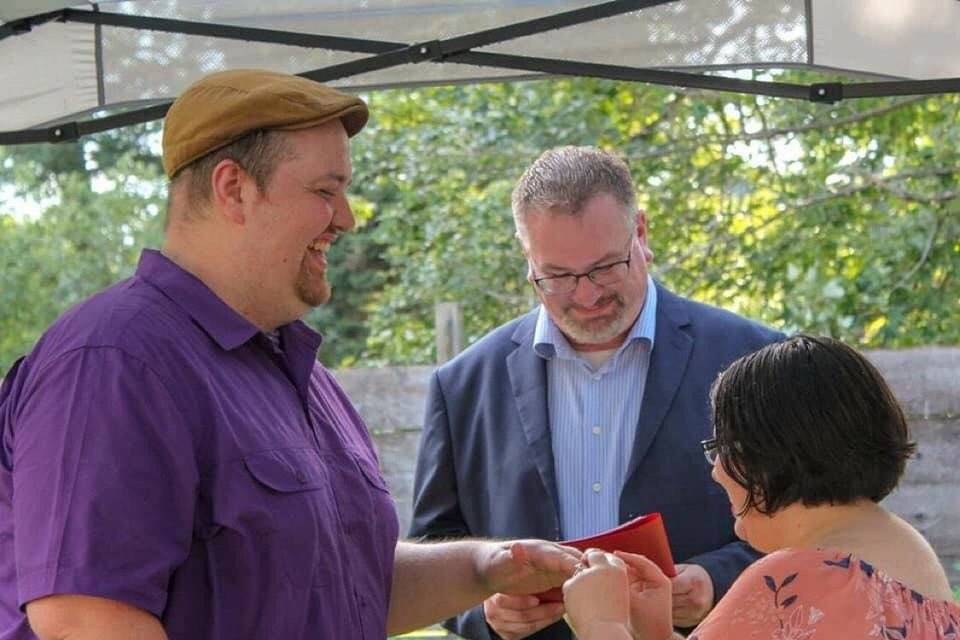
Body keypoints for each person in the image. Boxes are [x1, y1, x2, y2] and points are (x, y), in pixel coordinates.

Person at [0, 69, 584, 640]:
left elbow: (350, 589)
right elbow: (84, 620)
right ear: (234, 189)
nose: (347, 219)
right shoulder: (114, 358)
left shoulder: (294, 368)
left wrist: (486, 568)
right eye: (325, 191)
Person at [409, 146, 784, 640]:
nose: (586, 296)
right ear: (528, 259)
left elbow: (813, 525)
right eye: (559, 276)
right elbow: (432, 546)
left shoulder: (756, 357)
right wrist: (484, 613)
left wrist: (716, 580)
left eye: (606, 267)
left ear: (642, 234)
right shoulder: (462, 385)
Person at [562, 335, 960, 640]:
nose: (717, 471)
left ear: (769, 452)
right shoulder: (908, 554)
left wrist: (602, 623)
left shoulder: (801, 575)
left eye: (722, 448)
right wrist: (657, 632)